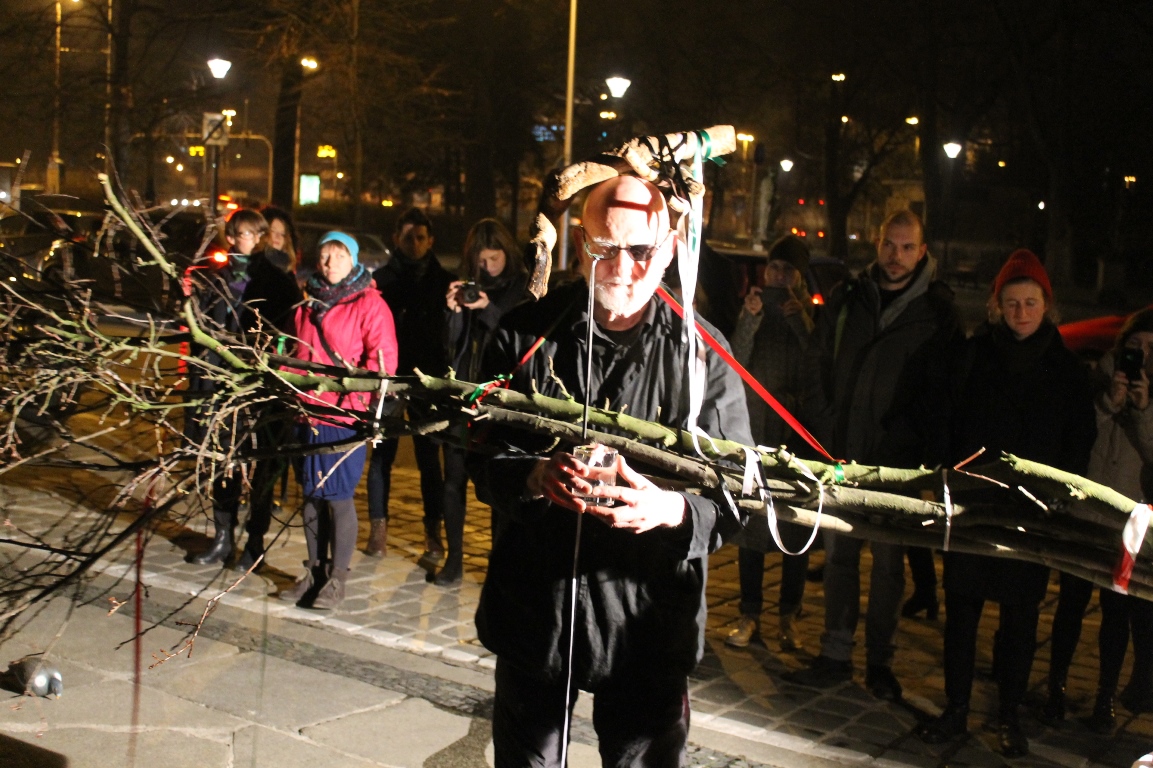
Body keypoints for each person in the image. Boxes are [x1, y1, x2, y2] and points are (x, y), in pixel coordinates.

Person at [475, 176, 753, 767]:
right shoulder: (527, 335)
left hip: (647, 627)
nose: (622, 269)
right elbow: (480, 456)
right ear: (581, 245)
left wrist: (671, 509)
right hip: (536, 616)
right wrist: (531, 477)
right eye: (605, 249)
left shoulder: (702, 356)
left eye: (642, 251)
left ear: (670, 249)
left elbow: (739, 497)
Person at [916, 249, 1095, 757]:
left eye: (1030, 302)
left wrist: (1059, 499)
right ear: (997, 306)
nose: (1021, 313)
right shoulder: (973, 355)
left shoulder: (1065, 370)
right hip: (974, 504)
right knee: (962, 614)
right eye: (1012, 303)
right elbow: (946, 419)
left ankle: (1008, 714)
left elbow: (1077, 441)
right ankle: (956, 709)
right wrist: (947, 475)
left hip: (1028, 514)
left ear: (1047, 305)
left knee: (1019, 620)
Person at [787, 210, 960, 701]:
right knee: (840, 556)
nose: (896, 256)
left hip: (897, 466)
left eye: (907, 248)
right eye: (890, 245)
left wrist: (916, 452)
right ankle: (835, 653)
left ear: (923, 252)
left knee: (888, 566)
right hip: (841, 453)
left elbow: (943, 394)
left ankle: (879, 662)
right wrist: (825, 428)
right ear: (877, 244)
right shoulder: (850, 297)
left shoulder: (938, 313)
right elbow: (818, 360)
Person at [1041, 308, 1153, 733]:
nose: (1141, 354)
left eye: (1151, 348)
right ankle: (1055, 690)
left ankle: (1104, 698)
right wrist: (1110, 402)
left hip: (1127, 522)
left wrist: (1142, 409)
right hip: (1085, 510)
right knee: (1069, 604)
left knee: (1115, 611)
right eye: (1135, 344)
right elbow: (1080, 436)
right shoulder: (1097, 380)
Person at [279, 231, 397, 610]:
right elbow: (294, 353)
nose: (330, 264)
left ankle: (337, 580)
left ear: (354, 261)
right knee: (311, 497)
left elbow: (382, 363)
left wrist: (350, 395)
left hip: (343, 416)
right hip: (307, 412)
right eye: (325, 256)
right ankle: (314, 571)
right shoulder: (305, 305)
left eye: (339, 257)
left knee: (339, 499)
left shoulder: (370, 304)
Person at [190, 208, 300, 566]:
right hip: (223, 383)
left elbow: (288, 334)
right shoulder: (216, 278)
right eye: (236, 234)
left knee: (261, 465)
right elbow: (201, 329)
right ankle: (223, 535)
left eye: (250, 234)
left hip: (260, 386)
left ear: (262, 237)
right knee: (224, 462)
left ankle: (254, 541)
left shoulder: (278, 280)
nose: (241, 240)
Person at [725, 234, 815, 652]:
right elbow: (737, 361)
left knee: (796, 526)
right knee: (752, 526)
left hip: (796, 434)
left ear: (799, 274)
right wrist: (749, 318)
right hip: (757, 431)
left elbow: (818, 365)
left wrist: (803, 320)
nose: (779, 276)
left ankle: (789, 615)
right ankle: (750, 613)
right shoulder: (752, 306)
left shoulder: (811, 312)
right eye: (774, 267)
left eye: (787, 270)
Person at [433, 218, 528, 585]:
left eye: (494, 258)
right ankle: (453, 560)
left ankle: (498, 564)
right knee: (452, 480)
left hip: (499, 402)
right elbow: (449, 347)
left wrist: (488, 308)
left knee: (499, 486)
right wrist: (453, 312)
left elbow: (515, 340)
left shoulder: (520, 288)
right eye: (481, 260)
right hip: (462, 396)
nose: (487, 267)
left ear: (507, 253)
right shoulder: (464, 288)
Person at [368, 209, 455, 564]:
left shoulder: (444, 281)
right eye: (408, 237)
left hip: (427, 378)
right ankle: (378, 529)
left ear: (430, 240)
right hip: (389, 376)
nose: (414, 244)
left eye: (420, 237)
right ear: (396, 239)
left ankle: (433, 534)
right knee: (381, 455)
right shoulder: (381, 280)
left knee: (428, 460)